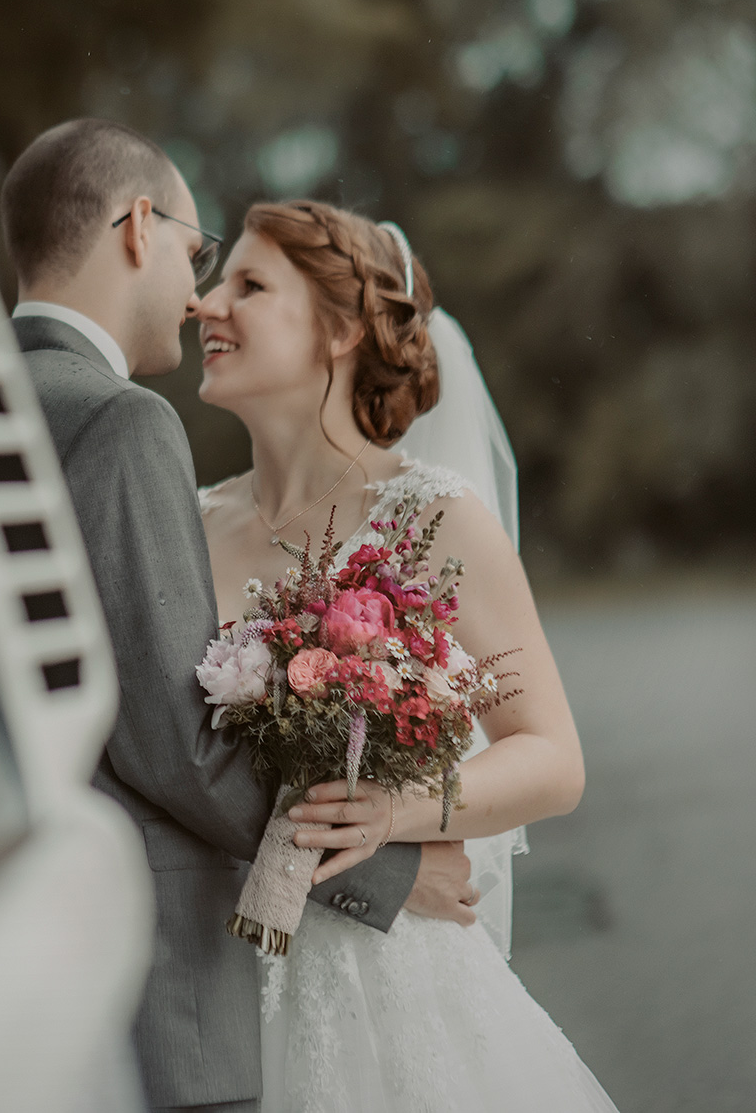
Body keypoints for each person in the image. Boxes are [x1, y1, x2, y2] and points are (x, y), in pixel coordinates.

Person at [0, 119, 482, 1113]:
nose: (194, 293)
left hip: (23, 954)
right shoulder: (121, 419)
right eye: (194, 249)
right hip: (163, 992)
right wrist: (385, 874)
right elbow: (172, 743)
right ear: (137, 225)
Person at [196, 198, 616, 1110]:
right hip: (220, 979)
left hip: (394, 986)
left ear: (341, 329)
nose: (205, 304)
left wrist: (393, 813)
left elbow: (551, 756)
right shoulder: (185, 525)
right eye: (214, 280)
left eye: (248, 285)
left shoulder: (434, 516)